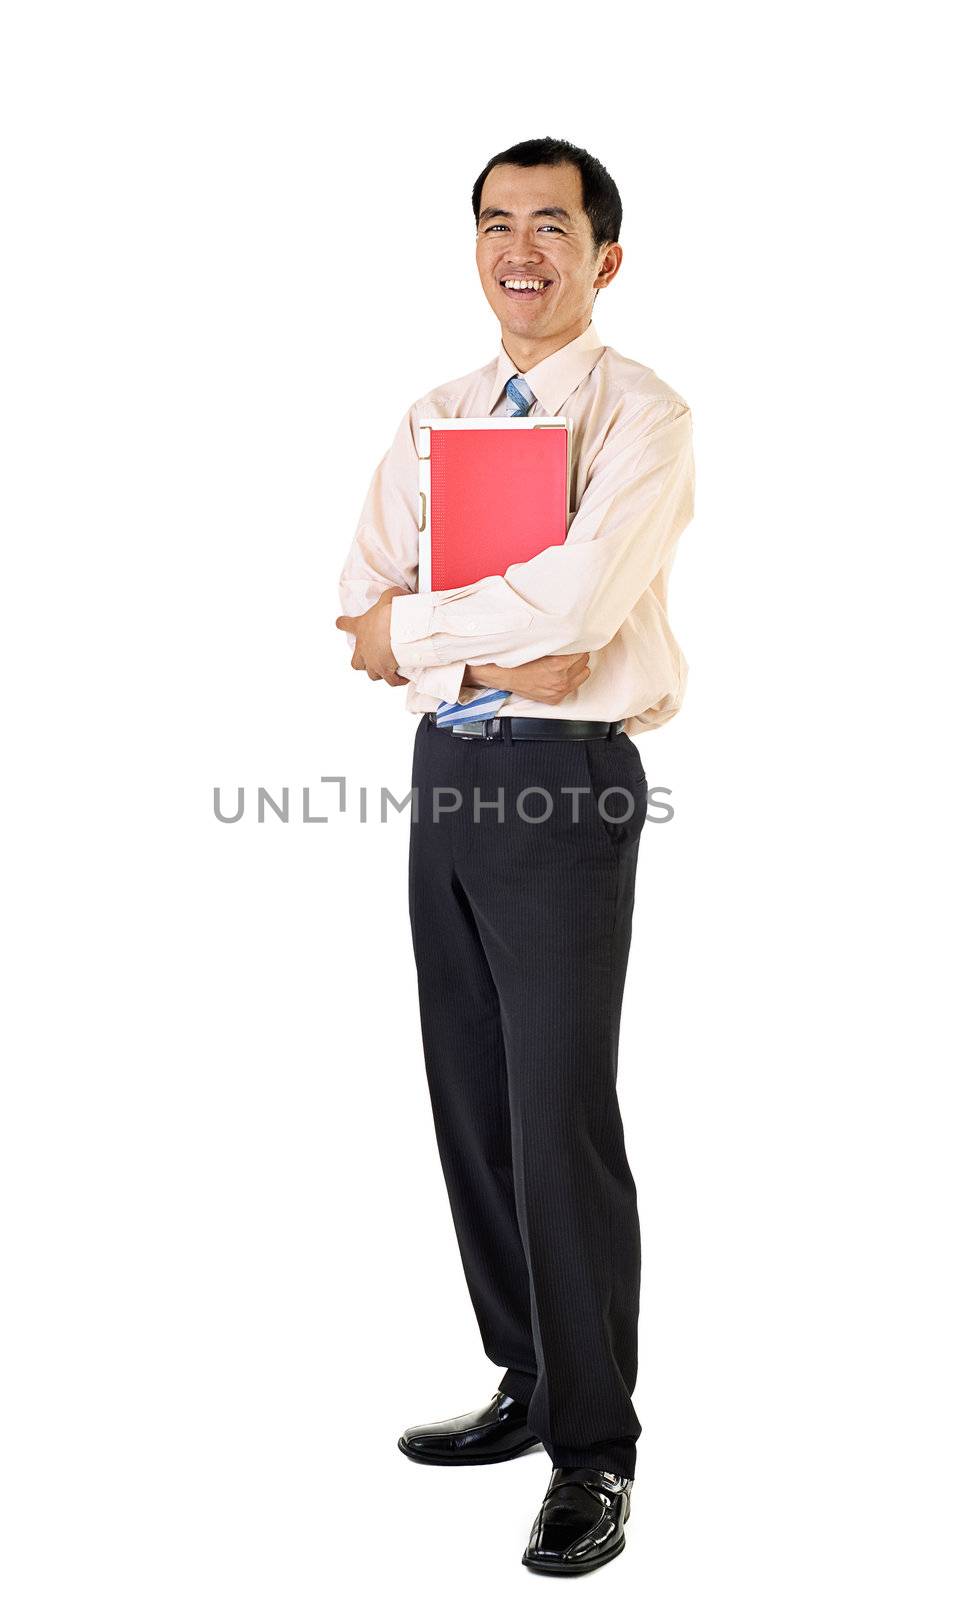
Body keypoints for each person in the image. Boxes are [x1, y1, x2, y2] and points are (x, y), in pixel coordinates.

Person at [334, 136, 695, 1577]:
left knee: (557, 1117)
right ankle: (527, 1381)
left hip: (563, 785)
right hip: (451, 776)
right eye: (496, 224)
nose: (520, 249)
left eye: (552, 225)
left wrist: (454, 632)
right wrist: (506, 646)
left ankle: (596, 1452)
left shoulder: (646, 416)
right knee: (473, 1099)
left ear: (604, 257)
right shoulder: (435, 414)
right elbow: (361, 596)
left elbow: (584, 600)